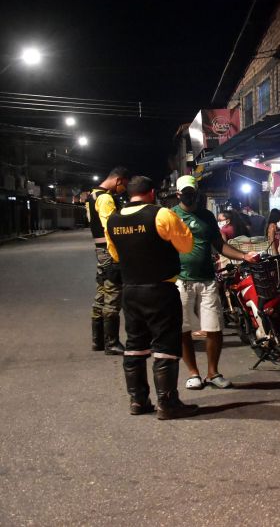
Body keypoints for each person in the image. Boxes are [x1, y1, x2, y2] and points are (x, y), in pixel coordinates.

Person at [105, 175, 198, 420]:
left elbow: (115, 255)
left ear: (130, 194)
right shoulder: (161, 215)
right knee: (165, 346)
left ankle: (138, 401)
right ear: (152, 193)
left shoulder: (113, 221)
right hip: (160, 290)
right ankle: (167, 404)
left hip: (131, 291)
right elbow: (186, 245)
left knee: (135, 345)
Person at [172, 175, 260, 391]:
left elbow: (220, 245)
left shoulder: (207, 216)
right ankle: (193, 373)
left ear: (197, 192)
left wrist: (244, 256)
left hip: (207, 280)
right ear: (178, 194)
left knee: (214, 328)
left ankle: (213, 373)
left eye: (192, 192)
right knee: (183, 330)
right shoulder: (170, 216)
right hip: (181, 281)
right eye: (186, 193)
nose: (190, 196)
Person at [86, 166, 130, 355]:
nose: (124, 189)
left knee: (101, 294)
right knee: (112, 295)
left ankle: (98, 341)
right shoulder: (105, 198)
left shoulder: (92, 195)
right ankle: (111, 343)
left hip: (100, 251)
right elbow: (111, 227)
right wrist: (118, 255)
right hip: (109, 251)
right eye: (125, 185)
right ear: (119, 180)